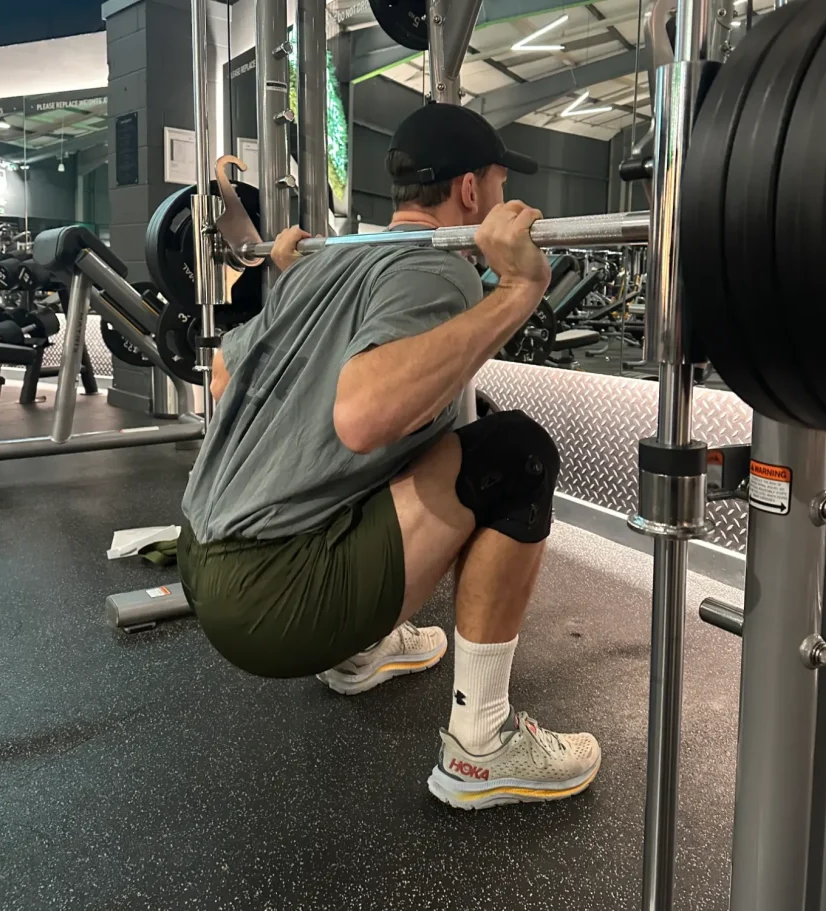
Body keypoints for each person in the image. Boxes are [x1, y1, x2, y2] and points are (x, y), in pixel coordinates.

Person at [178, 103, 601, 810]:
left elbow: (223, 376)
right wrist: (518, 289)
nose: (499, 200)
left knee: (456, 428)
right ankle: (481, 747)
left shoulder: (327, 264)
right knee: (516, 452)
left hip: (204, 561)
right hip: (274, 603)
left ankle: (360, 650)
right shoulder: (436, 269)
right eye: (498, 184)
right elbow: (363, 414)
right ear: (470, 192)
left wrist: (281, 277)